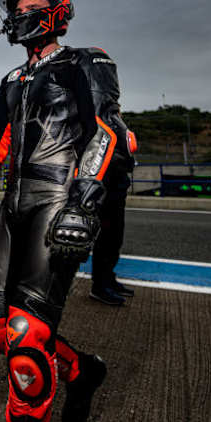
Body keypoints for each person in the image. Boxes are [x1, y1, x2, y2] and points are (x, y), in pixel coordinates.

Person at [0, 0, 130, 422]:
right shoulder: (11, 77)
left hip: (57, 202)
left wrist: (83, 201)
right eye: (18, 10)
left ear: (58, 13)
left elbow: (106, 129)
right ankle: (81, 371)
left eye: (33, 8)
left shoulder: (88, 61)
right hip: (12, 205)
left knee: (27, 338)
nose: (23, 16)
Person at [90, 129, 137, 305]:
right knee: (106, 237)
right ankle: (100, 285)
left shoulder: (115, 117)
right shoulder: (100, 113)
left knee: (116, 237)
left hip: (118, 185)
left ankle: (108, 278)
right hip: (105, 186)